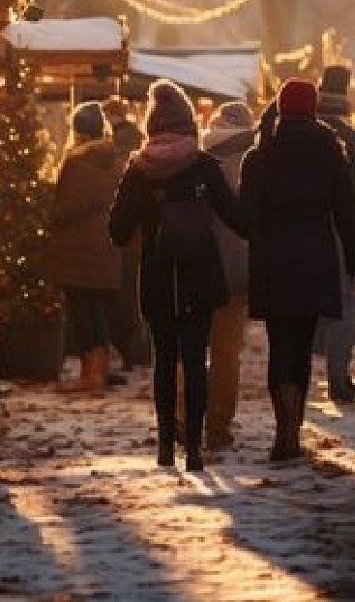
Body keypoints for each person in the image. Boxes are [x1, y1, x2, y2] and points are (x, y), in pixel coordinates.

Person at [108, 80, 242, 471]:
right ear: (188, 124)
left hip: (157, 278)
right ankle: (196, 449)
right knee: (196, 359)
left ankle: (166, 442)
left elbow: (117, 231)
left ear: (152, 125)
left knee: (164, 361)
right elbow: (237, 218)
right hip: (200, 275)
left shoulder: (138, 170)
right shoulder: (204, 166)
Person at [241, 80, 355, 461]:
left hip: (272, 260)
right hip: (314, 256)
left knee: (279, 343)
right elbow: (348, 213)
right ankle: (292, 430)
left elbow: (247, 218)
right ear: (313, 108)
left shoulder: (259, 156)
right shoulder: (331, 151)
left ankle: (284, 430)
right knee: (302, 345)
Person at [43, 102, 123, 393]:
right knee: (95, 310)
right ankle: (99, 370)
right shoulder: (114, 161)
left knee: (82, 311)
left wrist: (51, 215)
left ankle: (92, 374)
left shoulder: (77, 162)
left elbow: (70, 207)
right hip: (105, 246)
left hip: (78, 250)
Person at [314, 65, 355, 402]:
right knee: (344, 306)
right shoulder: (351, 141)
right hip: (341, 232)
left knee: (306, 307)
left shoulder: (294, 135)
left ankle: (299, 383)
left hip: (305, 233)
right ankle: (338, 376)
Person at [200, 101, 255, 450]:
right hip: (239, 269)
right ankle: (218, 426)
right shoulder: (255, 161)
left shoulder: (200, 160)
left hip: (199, 267)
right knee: (226, 352)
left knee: (191, 347)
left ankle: (181, 415)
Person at [101, 96, 151, 374]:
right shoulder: (135, 138)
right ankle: (138, 351)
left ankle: (134, 351)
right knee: (133, 296)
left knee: (127, 297)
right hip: (137, 236)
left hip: (129, 237)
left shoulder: (119, 146)